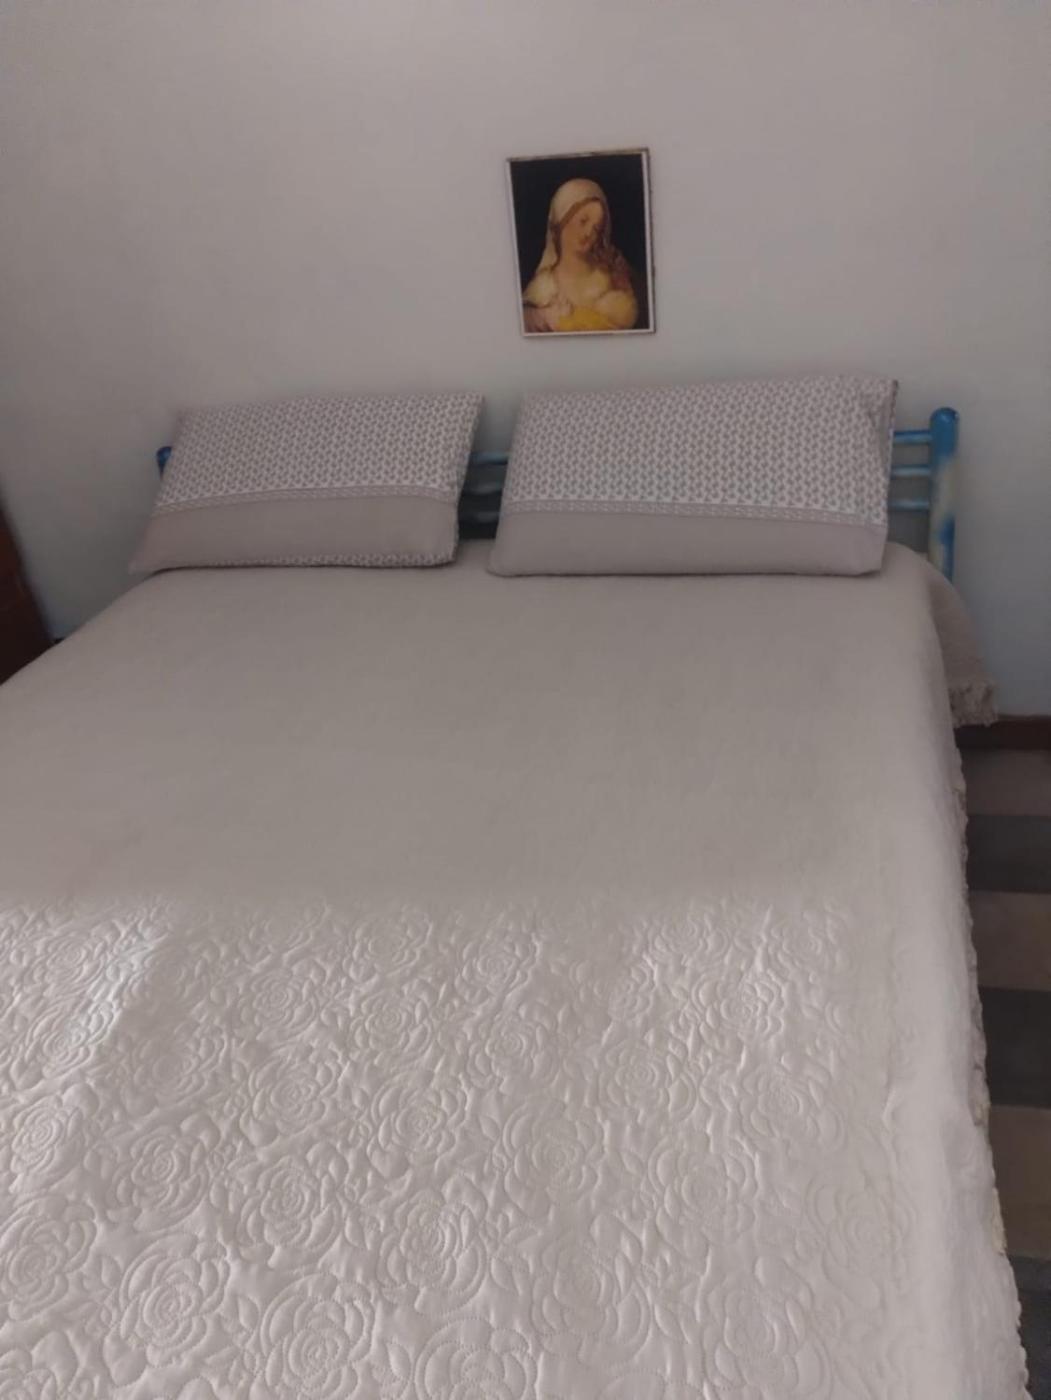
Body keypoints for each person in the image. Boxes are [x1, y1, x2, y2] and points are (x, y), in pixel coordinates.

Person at [521, 178, 639, 333]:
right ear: (561, 221)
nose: (589, 233)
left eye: (596, 229)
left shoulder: (611, 280)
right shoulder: (542, 290)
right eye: (583, 221)